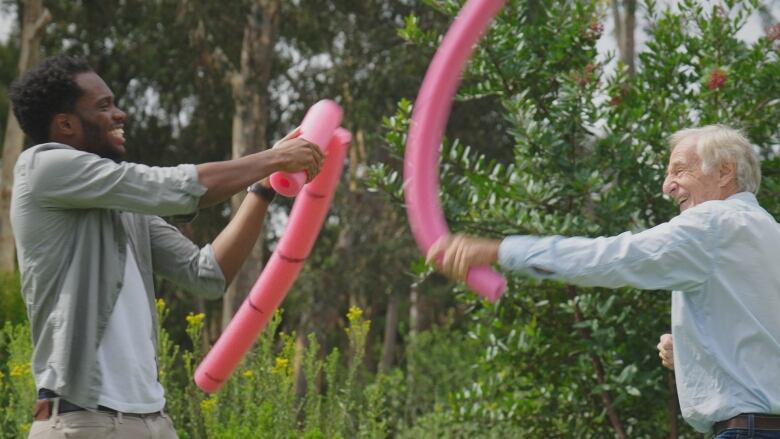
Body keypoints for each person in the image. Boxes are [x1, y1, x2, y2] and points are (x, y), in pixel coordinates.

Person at [9, 54, 324, 438]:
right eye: (104, 106)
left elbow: (206, 274)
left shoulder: (123, 207)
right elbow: (176, 189)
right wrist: (274, 157)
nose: (121, 114)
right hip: (82, 422)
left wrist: (263, 187)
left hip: (153, 422)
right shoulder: (42, 168)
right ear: (66, 125)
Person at [427, 125, 780, 437]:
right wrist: (697, 350)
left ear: (724, 172)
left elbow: (612, 258)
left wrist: (500, 251)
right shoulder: (770, 233)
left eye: (679, 170)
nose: (666, 185)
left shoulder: (711, 224)